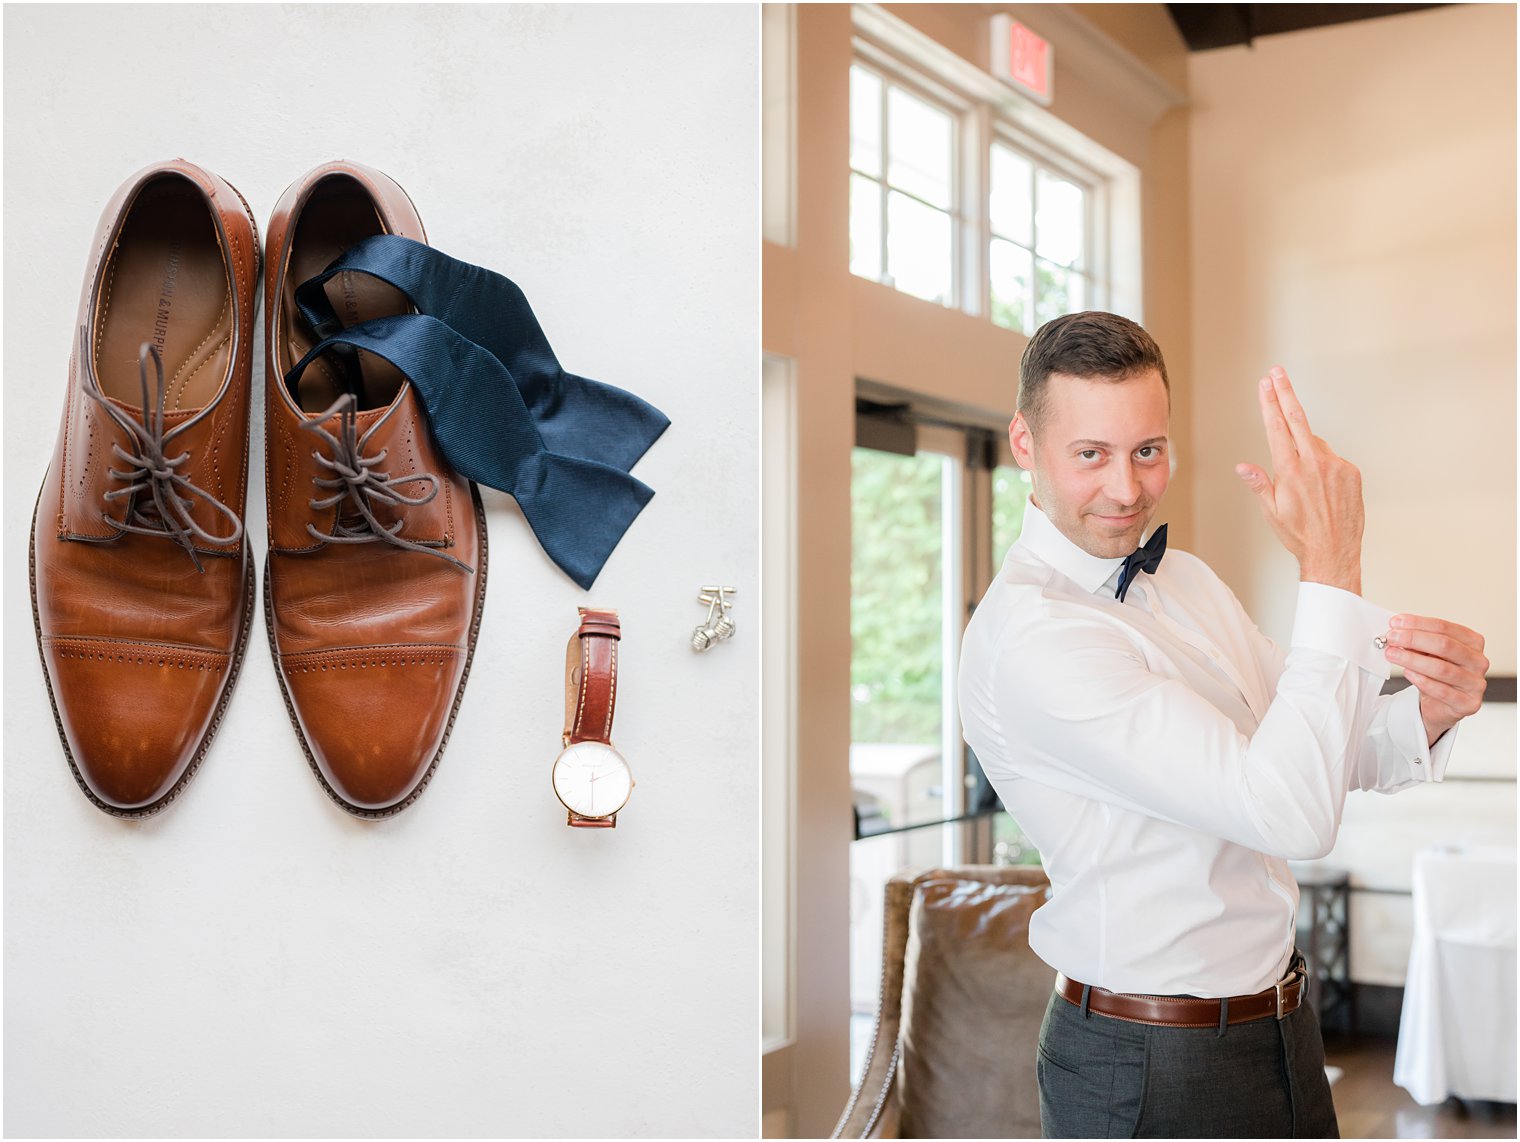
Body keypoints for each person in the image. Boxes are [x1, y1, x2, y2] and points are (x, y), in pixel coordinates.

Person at [957, 311, 1488, 1138]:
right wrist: (1331, 569)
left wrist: (1427, 712)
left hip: (1280, 1023)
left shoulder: (1188, 582)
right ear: (1025, 443)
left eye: (1147, 450)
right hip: (1147, 1062)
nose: (1127, 490)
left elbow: (1307, 750)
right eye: (1089, 454)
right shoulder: (1036, 638)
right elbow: (1288, 814)